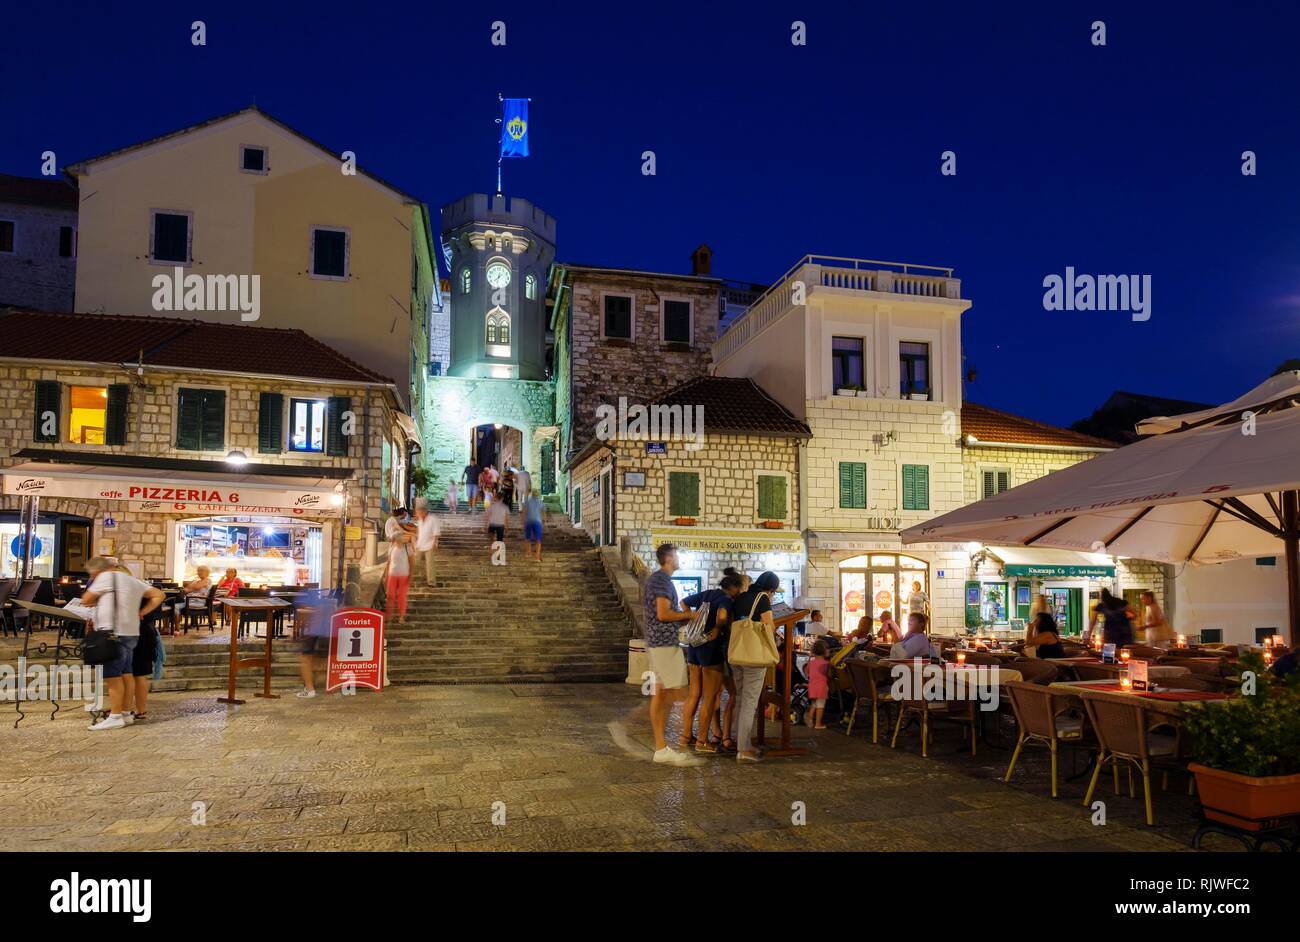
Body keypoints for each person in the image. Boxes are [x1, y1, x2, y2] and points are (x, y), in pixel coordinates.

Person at [613, 543, 703, 766]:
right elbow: (663, 614)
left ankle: (661, 748)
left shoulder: (660, 580)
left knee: (664, 695)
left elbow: (661, 614)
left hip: (660, 642)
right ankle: (630, 724)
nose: (679, 558)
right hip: (664, 645)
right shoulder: (662, 580)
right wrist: (688, 616)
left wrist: (684, 617)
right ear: (669, 558)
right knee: (679, 694)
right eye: (677, 555)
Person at [81, 557, 164, 731]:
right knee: (127, 672)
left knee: (113, 675)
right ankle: (126, 713)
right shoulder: (132, 580)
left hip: (113, 632)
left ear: (97, 571)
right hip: (131, 631)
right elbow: (159, 595)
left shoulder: (105, 578)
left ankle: (115, 715)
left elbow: (86, 599)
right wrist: (141, 612)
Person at [679, 573, 743, 754]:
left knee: (694, 694)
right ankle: (701, 741)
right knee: (709, 697)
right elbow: (722, 616)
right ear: (735, 587)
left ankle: (685, 737)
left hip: (694, 646)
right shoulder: (725, 599)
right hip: (710, 648)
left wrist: (690, 617)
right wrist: (717, 627)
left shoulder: (707, 593)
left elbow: (684, 601)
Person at [730, 571, 780, 763]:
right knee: (750, 702)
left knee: (741, 698)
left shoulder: (742, 596)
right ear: (771, 588)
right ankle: (743, 749)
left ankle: (739, 741)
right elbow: (769, 625)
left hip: (737, 654)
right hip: (754, 657)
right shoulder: (763, 599)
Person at [296, 590, 334, 698]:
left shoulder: (309, 602)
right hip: (322, 631)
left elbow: (310, 615)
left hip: (314, 632)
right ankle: (310, 685)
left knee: (305, 659)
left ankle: (309, 688)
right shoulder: (322, 603)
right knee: (311, 658)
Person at [384, 507, 413, 624]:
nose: (398, 539)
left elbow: (412, 562)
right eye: (397, 537)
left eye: (399, 537)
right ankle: (388, 616)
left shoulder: (408, 548)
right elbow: (389, 562)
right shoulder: (392, 548)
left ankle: (401, 617)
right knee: (390, 596)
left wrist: (411, 575)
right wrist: (386, 575)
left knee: (401, 597)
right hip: (392, 575)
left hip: (403, 575)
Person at [173, 565, 212, 632]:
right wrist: (191, 587)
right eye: (198, 571)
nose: (199, 572)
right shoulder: (198, 581)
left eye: (201, 571)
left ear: (207, 572)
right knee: (172, 605)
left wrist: (192, 586)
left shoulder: (207, 580)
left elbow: (196, 587)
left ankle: (177, 629)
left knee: (175, 606)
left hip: (197, 602)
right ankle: (168, 627)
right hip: (189, 601)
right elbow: (186, 589)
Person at [412, 499, 439, 587]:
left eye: (419, 511)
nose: (417, 513)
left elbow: (436, 532)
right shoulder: (419, 520)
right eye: (417, 511)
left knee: (430, 564)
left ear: (424, 511)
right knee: (415, 562)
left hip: (429, 544)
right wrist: (415, 543)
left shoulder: (432, 519)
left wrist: (435, 543)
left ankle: (431, 582)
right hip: (420, 544)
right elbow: (419, 533)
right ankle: (418, 578)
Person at [805, 638, 831, 729]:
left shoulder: (811, 662)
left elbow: (806, 672)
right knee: (820, 705)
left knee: (814, 703)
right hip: (822, 686)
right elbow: (829, 675)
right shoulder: (826, 664)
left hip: (812, 685)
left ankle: (810, 716)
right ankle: (818, 724)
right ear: (825, 651)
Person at [523, 493, 544, 561]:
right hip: (537, 522)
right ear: (537, 495)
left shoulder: (527, 502)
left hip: (529, 521)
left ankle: (528, 552)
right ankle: (537, 556)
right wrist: (544, 520)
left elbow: (524, 511)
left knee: (528, 538)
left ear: (531, 495)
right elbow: (543, 512)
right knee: (538, 539)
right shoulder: (540, 502)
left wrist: (523, 520)